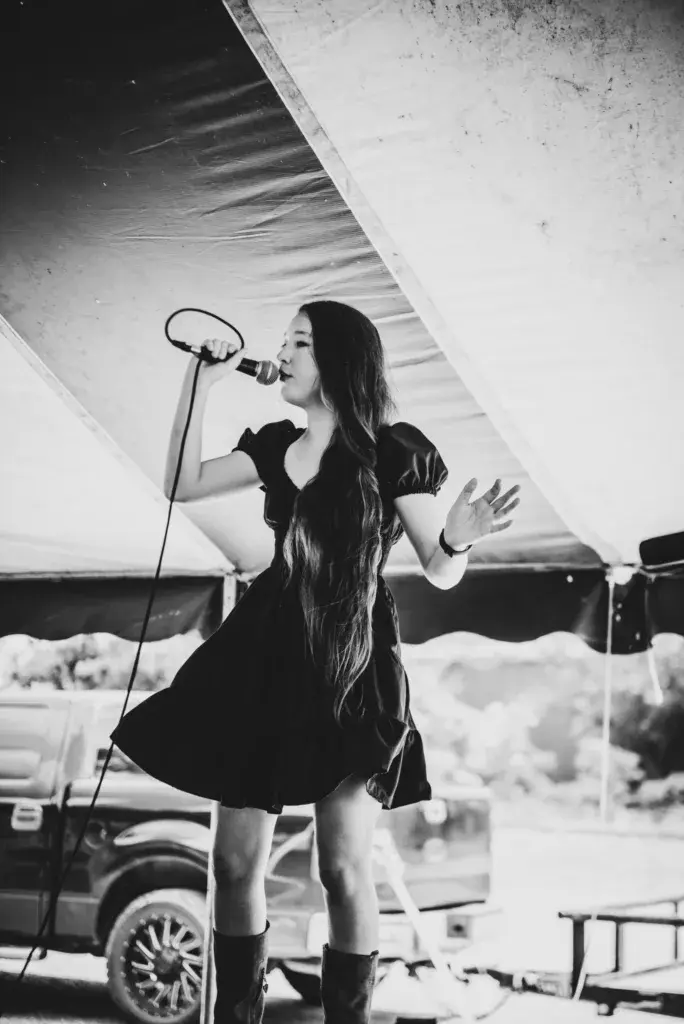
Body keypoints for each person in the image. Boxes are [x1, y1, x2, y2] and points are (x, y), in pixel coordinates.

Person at [111, 300, 520, 1024]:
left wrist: (457, 538)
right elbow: (181, 482)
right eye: (284, 342)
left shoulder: (394, 451)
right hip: (262, 657)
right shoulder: (276, 446)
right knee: (232, 863)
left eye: (299, 342)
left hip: (352, 664)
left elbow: (440, 568)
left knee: (341, 866)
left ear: (339, 360)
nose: (284, 354)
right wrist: (199, 384)